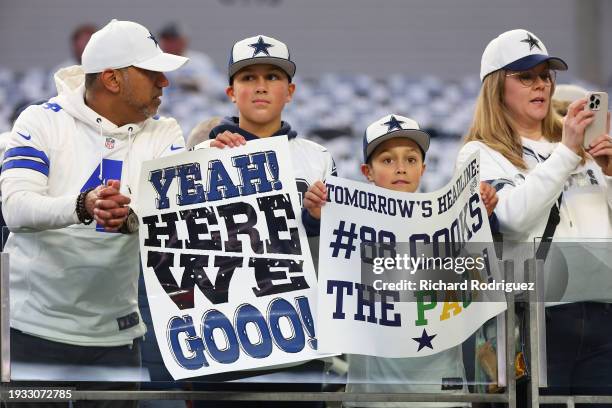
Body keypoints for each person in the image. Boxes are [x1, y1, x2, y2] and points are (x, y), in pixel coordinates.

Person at [0, 19, 188, 408]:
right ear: (112, 79)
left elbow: (174, 215)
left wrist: (128, 217)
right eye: (152, 72)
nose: (163, 83)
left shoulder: (165, 131)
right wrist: (83, 206)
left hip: (115, 337)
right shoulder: (41, 121)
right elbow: (15, 207)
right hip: (33, 331)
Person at [456, 29, 612, 407]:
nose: (540, 85)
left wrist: (609, 175)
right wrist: (567, 152)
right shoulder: (479, 153)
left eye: (545, 75)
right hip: (537, 318)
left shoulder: (580, 150)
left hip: (603, 312)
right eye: (526, 77)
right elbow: (512, 219)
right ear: (496, 87)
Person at [303, 114, 498, 408]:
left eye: (410, 159)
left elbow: (481, 282)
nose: (400, 169)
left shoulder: (450, 223)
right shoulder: (347, 223)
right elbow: (317, 267)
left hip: (442, 397)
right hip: (372, 397)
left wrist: (484, 217)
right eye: (387, 160)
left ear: (423, 168)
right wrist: (315, 218)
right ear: (366, 171)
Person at [191, 33, 336, 408]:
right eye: (248, 78)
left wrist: (315, 217)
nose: (260, 87)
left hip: (296, 337)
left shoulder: (318, 157)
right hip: (221, 337)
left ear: (290, 91)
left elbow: (333, 249)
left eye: (272, 77)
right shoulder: (201, 154)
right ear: (230, 92)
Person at [158, 22, 221, 94]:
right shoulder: (156, 64)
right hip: (170, 103)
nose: (169, 44)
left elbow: (221, 87)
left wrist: (198, 84)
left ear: (184, 40)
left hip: (201, 102)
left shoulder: (200, 61)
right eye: (166, 40)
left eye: (173, 40)